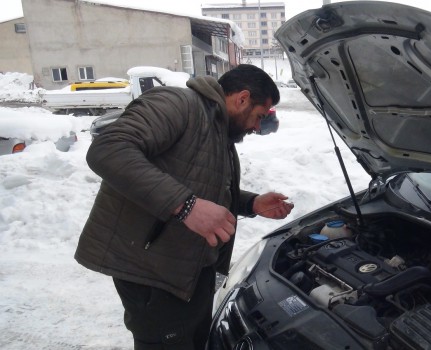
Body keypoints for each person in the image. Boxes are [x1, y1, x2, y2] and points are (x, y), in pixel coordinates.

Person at [75, 64, 293, 349]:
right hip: (152, 271)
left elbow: (201, 185)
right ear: (241, 98)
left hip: (189, 270)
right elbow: (109, 150)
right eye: (259, 117)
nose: (256, 127)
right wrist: (186, 207)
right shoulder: (178, 104)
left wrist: (251, 202)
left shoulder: (217, 128)